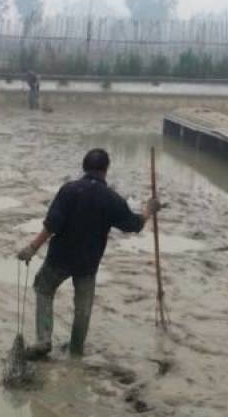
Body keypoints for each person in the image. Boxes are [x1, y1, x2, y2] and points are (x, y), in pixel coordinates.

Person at [16, 148, 161, 358]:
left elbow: (52, 225)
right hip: (88, 263)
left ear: (84, 167)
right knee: (83, 307)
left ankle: (43, 340)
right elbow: (133, 225)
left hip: (60, 258)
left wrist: (32, 248)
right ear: (106, 169)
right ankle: (76, 351)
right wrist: (149, 210)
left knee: (44, 288)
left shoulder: (68, 190)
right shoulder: (111, 199)